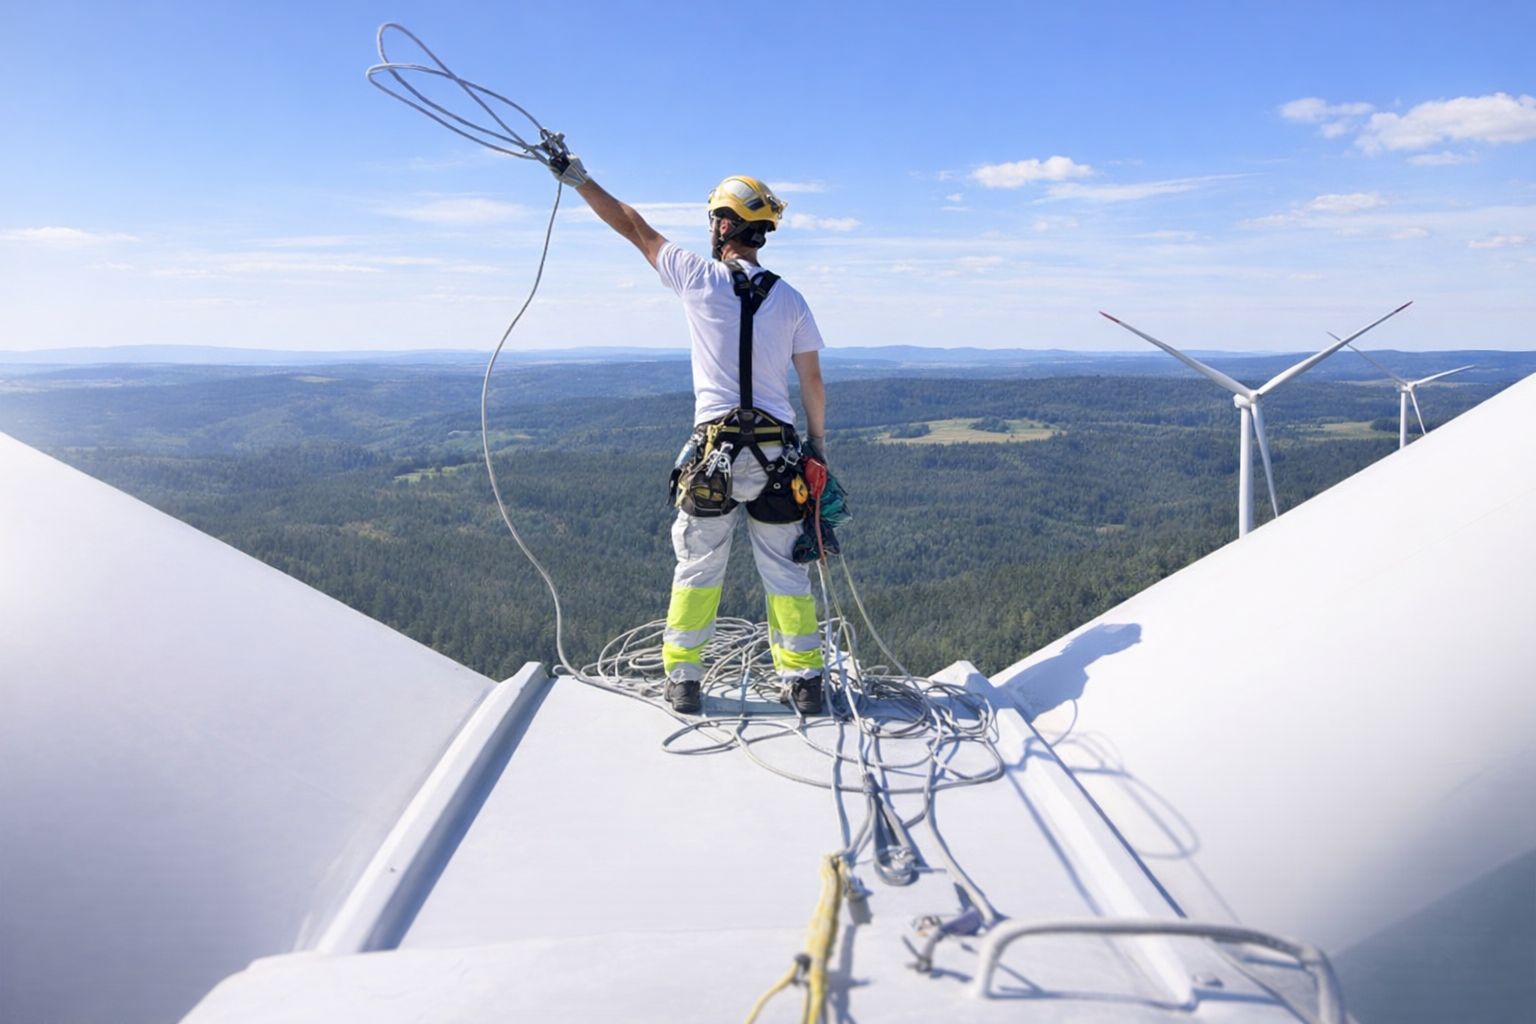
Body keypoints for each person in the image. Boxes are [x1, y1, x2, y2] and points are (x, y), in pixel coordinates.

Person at [548, 154, 827, 717]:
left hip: (714, 458)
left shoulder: (695, 277)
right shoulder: (792, 300)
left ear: (724, 225)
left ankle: (684, 681)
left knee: (699, 569)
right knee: (786, 572)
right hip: (778, 456)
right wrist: (817, 451)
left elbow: (633, 226)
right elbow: (812, 384)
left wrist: (579, 179)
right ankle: (803, 683)